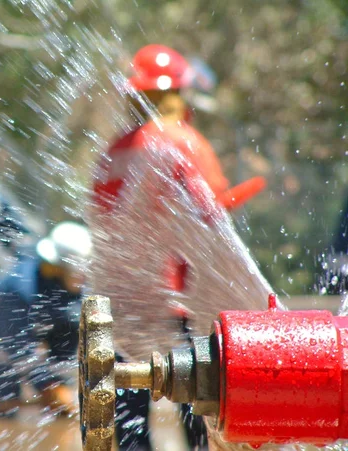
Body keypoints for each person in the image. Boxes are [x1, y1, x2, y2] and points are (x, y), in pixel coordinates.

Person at [93, 44, 265, 450]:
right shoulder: (180, 141)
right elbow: (210, 218)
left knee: (128, 412)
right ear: (178, 93)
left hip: (117, 301)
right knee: (202, 407)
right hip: (174, 300)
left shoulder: (113, 149)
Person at [0, 221, 91, 415]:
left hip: (35, 338)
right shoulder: (18, 287)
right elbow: (18, 348)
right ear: (55, 266)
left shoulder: (77, 286)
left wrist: (60, 387)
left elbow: (68, 340)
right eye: (76, 274)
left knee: (60, 412)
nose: (81, 279)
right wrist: (48, 387)